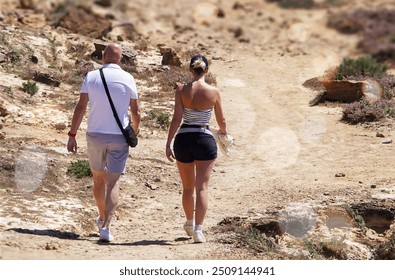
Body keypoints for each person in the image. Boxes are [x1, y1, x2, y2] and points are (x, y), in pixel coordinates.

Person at [67, 43, 141, 242]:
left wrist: (72, 134)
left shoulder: (91, 77)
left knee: (98, 179)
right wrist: (135, 131)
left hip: (95, 134)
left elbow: (81, 106)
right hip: (119, 137)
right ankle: (106, 228)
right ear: (120, 59)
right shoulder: (128, 78)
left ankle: (101, 217)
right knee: (113, 181)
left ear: (103, 57)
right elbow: (136, 111)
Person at [165, 54, 228, 243]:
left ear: (191, 70)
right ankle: (199, 230)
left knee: (187, 187)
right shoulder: (214, 92)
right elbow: (221, 120)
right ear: (206, 71)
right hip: (204, 138)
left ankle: (189, 223)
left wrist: (168, 143)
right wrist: (224, 132)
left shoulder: (181, 90)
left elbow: (177, 119)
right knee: (202, 188)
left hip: (183, 138)